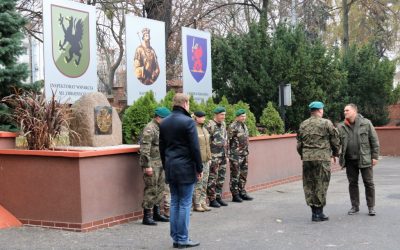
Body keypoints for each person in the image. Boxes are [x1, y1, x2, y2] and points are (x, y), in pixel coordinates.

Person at [159, 93, 203, 248]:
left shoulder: (164, 123)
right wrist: (199, 167)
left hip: (171, 167)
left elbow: (162, 148)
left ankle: (176, 238)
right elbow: (195, 148)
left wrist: (166, 166)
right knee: (184, 203)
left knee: (175, 203)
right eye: (189, 103)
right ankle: (182, 238)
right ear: (185, 104)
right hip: (185, 169)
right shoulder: (188, 122)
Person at [297, 101, 340, 222]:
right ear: (320, 110)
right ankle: (319, 212)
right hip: (322, 158)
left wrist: (303, 155)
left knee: (309, 184)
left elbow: (299, 144)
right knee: (321, 183)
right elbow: (335, 140)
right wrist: (335, 153)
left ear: (311, 111)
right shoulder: (326, 123)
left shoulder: (303, 124)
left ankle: (313, 213)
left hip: (307, 159)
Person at [337, 103, 380, 216]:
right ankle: (355, 206)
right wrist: (334, 154)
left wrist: (375, 156)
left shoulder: (366, 123)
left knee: (369, 183)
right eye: (344, 111)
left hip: (365, 158)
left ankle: (371, 207)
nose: (345, 112)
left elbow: (374, 140)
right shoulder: (341, 126)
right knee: (352, 183)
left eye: (347, 110)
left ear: (354, 111)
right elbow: (336, 143)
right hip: (350, 160)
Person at [140, 107, 171, 226]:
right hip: (152, 164)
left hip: (161, 163)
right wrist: (147, 166)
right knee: (151, 189)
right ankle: (147, 216)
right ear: (158, 117)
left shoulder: (161, 128)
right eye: (165, 119)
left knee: (160, 188)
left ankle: (156, 213)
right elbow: (145, 149)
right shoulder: (150, 128)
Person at [228, 109, 253, 202]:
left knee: (243, 174)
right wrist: (229, 154)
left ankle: (242, 191)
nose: (244, 118)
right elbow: (228, 141)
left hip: (244, 154)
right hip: (236, 155)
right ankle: (235, 194)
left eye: (244, 116)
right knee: (235, 175)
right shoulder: (233, 126)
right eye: (242, 116)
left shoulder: (244, 126)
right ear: (237, 117)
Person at [206, 107, 229, 208]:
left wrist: (226, 155)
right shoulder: (210, 125)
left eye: (224, 115)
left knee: (221, 177)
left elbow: (225, 140)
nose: (223, 117)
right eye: (222, 115)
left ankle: (218, 197)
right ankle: (212, 199)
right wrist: (209, 157)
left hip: (223, 155)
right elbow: (206, 142)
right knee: (213, 177)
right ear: (216, 115)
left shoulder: (223, 124)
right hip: (214, 156)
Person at [192, 111, 212, 212]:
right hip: (198, 160)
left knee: (205, 182)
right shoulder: (193, 129)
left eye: (204, 117)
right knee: (198, 183)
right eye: (202, 117)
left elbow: (208, 145)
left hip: (206, 160)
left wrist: (209, 158)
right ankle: (197, 203)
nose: (204, 118)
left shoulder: (204, 129)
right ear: (196, 118)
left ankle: (203, 202)